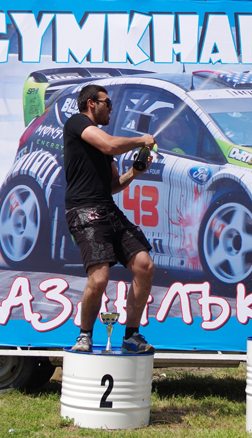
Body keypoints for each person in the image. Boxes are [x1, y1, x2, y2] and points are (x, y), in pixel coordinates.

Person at [64, 84, 157, 353]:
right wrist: (142, 139)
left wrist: (135, 173)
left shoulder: (101, 143)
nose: (111, 109)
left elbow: (114, 185)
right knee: (100, 277)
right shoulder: (77, 123)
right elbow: (110, 145)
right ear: (91, 103)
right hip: (84, 211)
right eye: (108, 103)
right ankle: (84, 336)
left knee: (144, 265)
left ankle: (131, 335)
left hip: (107, 208)